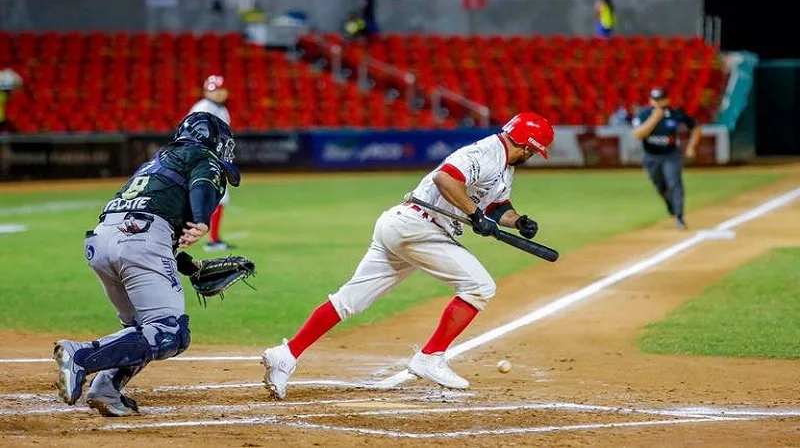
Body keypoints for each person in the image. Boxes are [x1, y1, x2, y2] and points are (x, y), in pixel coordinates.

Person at [260, 112, 554, 399]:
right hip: (419, 227)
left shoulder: (504, 166)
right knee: (480, 286)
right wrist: (473, 215)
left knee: (349, 301)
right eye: (534, 150)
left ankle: (285, 355)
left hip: (402, 226)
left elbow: (496, 207)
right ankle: (430, 357)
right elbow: (446, 179)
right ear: (528, 145)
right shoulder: (486, 152)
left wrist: (517, 221)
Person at [52, 112, 240, 416]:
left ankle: (106, 389)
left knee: (141, 329)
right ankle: (80, 355)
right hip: (140, 241)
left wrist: (192, 268)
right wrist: (203, 220)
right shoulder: (202, 155)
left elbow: (138, 226)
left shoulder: (157, 162)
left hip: (102, 242)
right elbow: (204, 181)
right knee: (168, 333)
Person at [632, 88, 701, 230]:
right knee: (660, 186)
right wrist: (655, 118)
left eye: (661, 99)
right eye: (655, 100)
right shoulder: (644, 115)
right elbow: (638, 134)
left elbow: (695, 127)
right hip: (651, 156)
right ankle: (670, 204)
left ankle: (680, 217)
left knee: (674, 182)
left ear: (667, 100)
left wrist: (691, 147)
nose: (658, 103)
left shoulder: (675, 114)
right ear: (650, 101)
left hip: (671, 155)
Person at [188, 75, 234, 251]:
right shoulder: (202, 108)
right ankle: (212, 240)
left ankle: (214, 239)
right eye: (213, 90)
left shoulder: (221, 109)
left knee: (218, 198)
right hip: (202, 159)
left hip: (214, 159)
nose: (217, 93)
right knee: (218, 197)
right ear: (206, 91)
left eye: (220, 89)